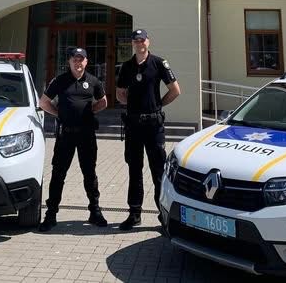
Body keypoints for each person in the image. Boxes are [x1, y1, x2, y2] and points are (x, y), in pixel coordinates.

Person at [116, 28, 181, 230]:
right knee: (134, 170)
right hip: (133, 126)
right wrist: (133, 106)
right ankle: (134, 214)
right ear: (133, 44)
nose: (139, 43)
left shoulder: (159, 63)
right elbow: (119, 93)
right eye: (136, 40)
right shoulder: (126, 66)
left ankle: (163, 214)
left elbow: (175, 90)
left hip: (153, 126)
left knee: (158, 172)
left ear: (148, 42)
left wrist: (157, 105)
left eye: (142, 40)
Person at [38, 47, 108, 231]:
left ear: (86, 62)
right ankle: (51, 214)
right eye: (74, 60)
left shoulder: (93, 81)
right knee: (58, 174)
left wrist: (89, 112)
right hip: (66, 135)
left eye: (81, 59)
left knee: (89, 173)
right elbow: (43, 102)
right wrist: (59, 114)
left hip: (86, 135)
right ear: (69, 62)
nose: (78, 63)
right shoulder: (60, 81)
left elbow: (103, 102)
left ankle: (95, 211)